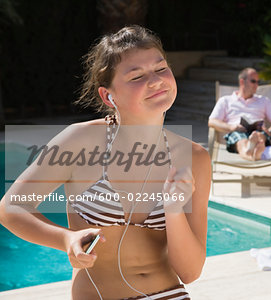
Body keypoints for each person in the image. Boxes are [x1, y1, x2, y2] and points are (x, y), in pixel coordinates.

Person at [0, 25, 211, 299]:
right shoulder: (80, 141)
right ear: (108, 95)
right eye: (137, 76)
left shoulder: (194, 157)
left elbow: (190, 272)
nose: (156, 80)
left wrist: (173, 210)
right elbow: (11, 207)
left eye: (161, 69)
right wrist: (66, 239)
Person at [208, 68, 271, 161]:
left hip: (259, 132)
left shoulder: (263, 100)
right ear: (242, 82)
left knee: (260, 136)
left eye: (258, 82)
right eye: (253, 81)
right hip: (237, 132)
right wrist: (231, 127)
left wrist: (270, 131)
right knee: (241, 140)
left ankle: (252, 148)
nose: (256, 85)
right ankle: (253, 151)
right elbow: (212, 121)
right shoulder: (226, 100)